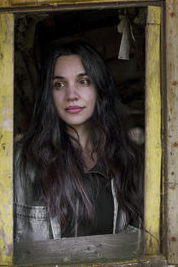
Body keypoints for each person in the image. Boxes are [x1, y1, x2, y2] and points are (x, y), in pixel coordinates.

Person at [14, 40, 143, 242]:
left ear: (99, 88)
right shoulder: (19, 160)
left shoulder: (128, 159)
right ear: (49, 95)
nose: (71, 95)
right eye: (59, 85)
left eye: (83, 81)